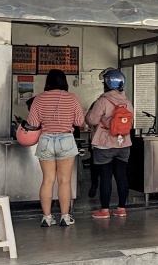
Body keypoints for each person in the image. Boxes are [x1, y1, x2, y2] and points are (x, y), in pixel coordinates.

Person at [26, 69, 86, 227]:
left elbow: (32, 123)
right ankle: (65, 217)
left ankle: (47, 217)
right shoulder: (72, 98)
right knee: (64, 181)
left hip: (46, 140)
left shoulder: (38, 99)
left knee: (47, 181)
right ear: (64, 81)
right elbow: (80, 121)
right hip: (66, 139)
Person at [85, 69, 135, 220]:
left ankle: (104, 210)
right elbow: (130, 123)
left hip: (104, 144)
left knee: (105, 176)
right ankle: (121, 208)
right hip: (124, 143)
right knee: (121, 176)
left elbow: (92, 120)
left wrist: (90, 117)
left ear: (107, 83)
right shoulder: (127, 102)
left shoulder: (102, 101)